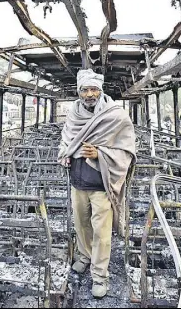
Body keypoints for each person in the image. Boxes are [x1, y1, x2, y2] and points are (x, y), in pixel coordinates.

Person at [58, 69, 136, 299]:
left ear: (101, 91)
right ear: (79, 92)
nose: (90, 94)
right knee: (81, 224)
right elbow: (66, 140)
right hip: (78, 181)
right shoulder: (73, 113)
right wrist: (66, 153)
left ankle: (100, 276)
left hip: (102, 183)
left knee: (101, 232)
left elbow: (128, 149)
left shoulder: (116, 115)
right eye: (85, 89)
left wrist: (99, 153)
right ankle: (84, 256)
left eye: (94, 89)